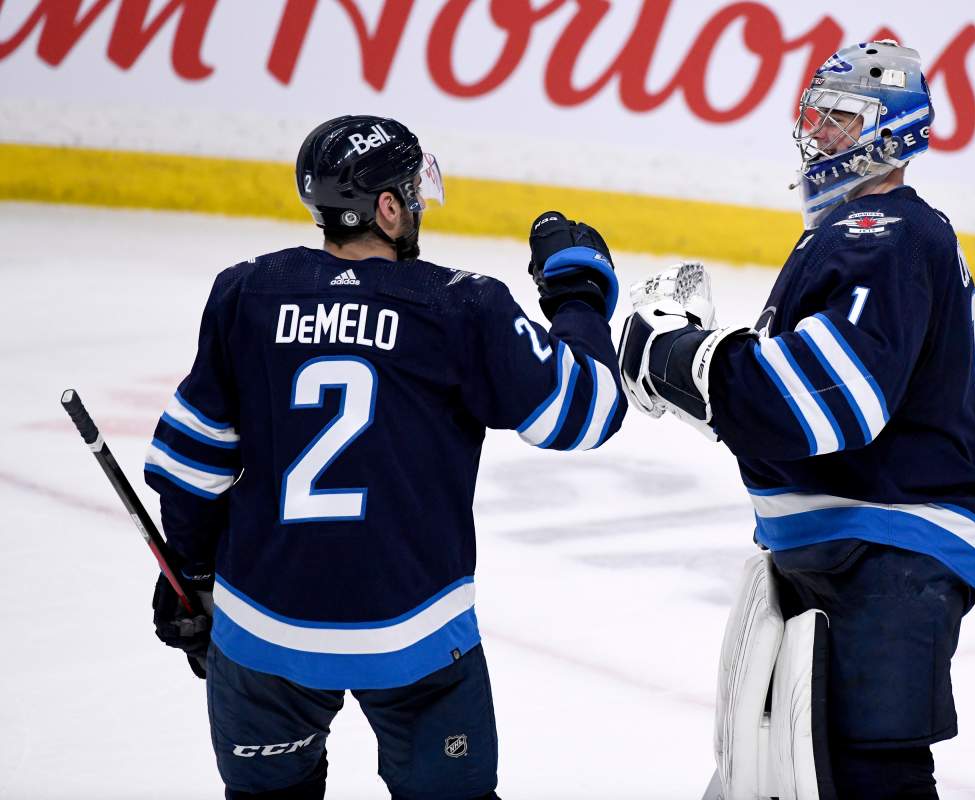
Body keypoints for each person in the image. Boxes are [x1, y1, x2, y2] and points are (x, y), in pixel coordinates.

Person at [143, 114, 626, 799]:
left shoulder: (246, 292)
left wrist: (187, 574)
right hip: (415, 637)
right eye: (411, 191)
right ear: (390, 209)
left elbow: (193, 466)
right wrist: (575, 292)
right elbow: (586, 411)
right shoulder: (462, 307)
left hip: (262, 635)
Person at [619, 41, 975, 799]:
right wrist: (696, 379)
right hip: (850, 541)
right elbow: (795, 414)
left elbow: (827, 403)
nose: (820, 133)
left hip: (892, 544)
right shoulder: (864, 233)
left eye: (843, 118)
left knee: (872, 772)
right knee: (801, 769)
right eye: (817, 114)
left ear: (895, 132)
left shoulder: (884, 233)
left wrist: (677, 355)